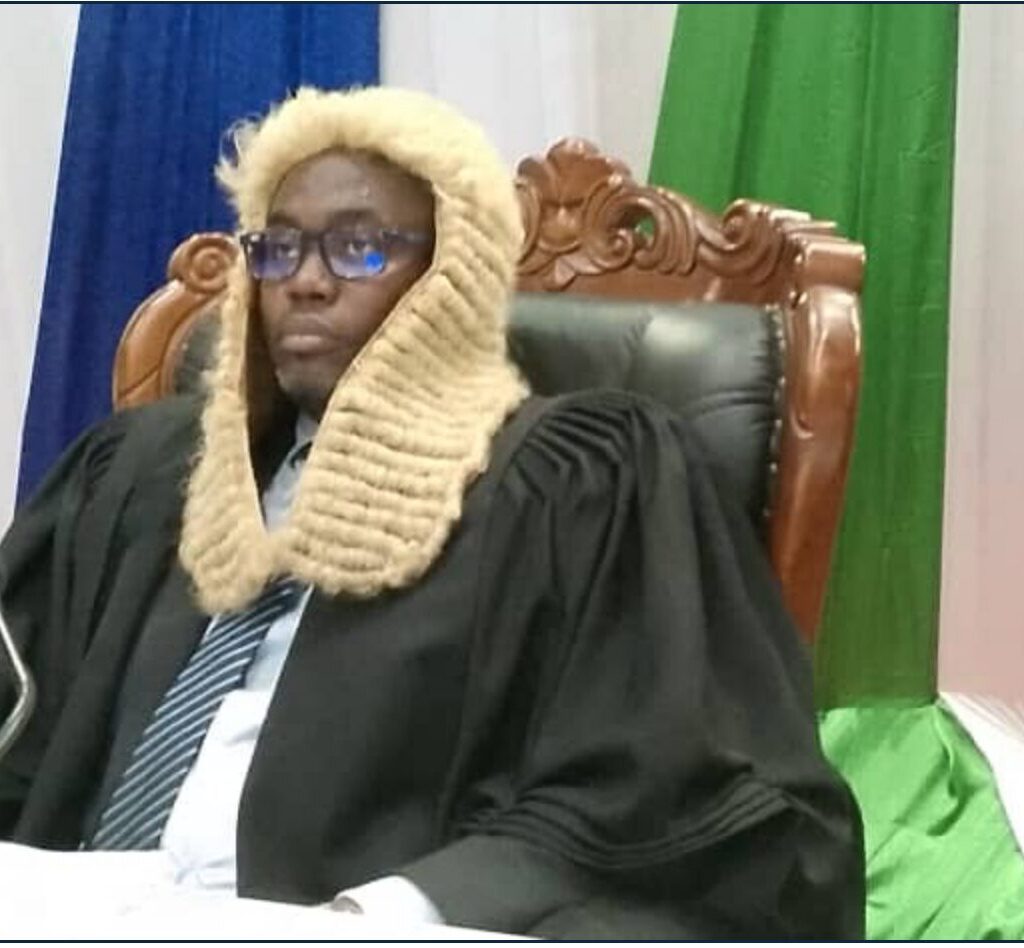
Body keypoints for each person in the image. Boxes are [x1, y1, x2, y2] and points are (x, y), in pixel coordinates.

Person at [0, 87, 864, 938]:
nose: (304, 282)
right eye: (278, 248)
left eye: (358, 248)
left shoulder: (583, 484)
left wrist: (383, 917)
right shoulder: (143, 473)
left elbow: (660, 790)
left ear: (451, 271)